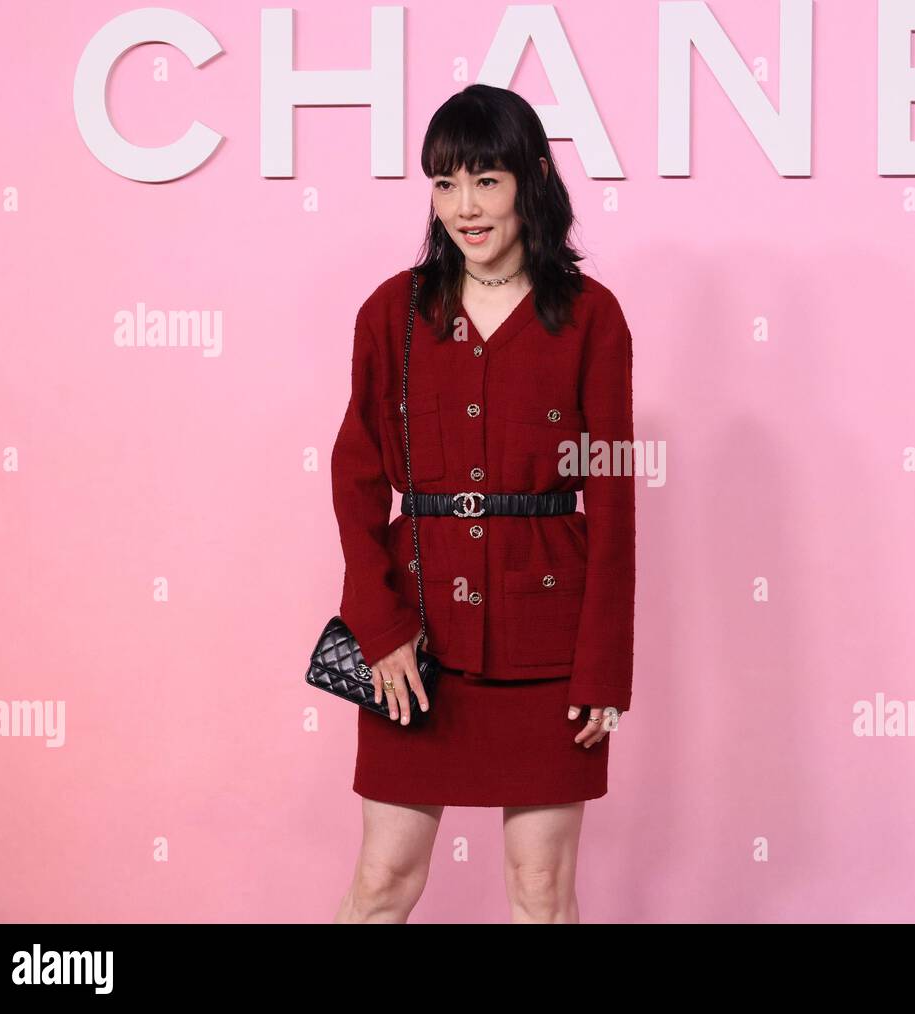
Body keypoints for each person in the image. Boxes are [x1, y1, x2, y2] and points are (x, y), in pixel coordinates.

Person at [330, 84, 636, 923]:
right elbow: (356, 477)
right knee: (383, 881)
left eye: (486, 181)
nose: (464, 207)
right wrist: (379, 629)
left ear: (532, 179)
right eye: (444, 184)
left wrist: (604, 664)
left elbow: (611, 495)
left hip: (549, 651)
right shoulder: (391, 313)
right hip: (415, 648)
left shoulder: (592, 318)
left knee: (542, 891)